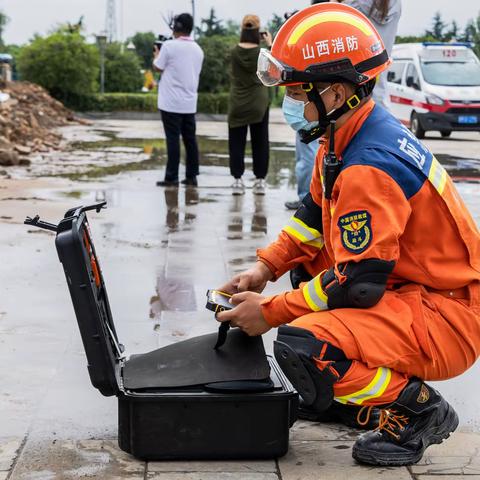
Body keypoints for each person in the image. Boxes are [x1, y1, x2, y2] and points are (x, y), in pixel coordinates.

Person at [216, 2, 480, 467]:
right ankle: (352, 395)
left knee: (303, 340)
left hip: (448, 316)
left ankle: (418, 411)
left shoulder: (366, 165)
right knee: (306, 277)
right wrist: (265, 268)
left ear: (336, 93)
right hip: (420, 294)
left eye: (297, 91)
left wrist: (271, 312)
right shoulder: (342, 137)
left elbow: (358, 282)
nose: (290, 103)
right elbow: (313, 217)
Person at [285, 0, 330, 211]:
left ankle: (308, 199)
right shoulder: (328, 36)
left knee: (307, 157)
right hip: (318, 107)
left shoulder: (307, 42)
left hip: (310, 108)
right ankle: (314, 197)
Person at [153, 13, 204, 187]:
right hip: (189, 104)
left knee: (173, 140)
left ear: (175, 27)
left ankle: (171, 177)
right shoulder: (198, 49)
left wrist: (156, 54)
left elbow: (158, 67)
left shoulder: (168, 46)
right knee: (190, 141)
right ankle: (192, 176)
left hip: (170, 103)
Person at [228, 15, 272, 196]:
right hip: (259, 102)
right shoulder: (262, 53)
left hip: (237, 101)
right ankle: (260, 181)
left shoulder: (233, 52)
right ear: (257, 31)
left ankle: (238, 181)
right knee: (260, 141)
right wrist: (269, 44)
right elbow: (276, 67)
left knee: (236, 141)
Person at [332, 0, 402, 110]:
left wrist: (333, 7)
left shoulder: (348, 7)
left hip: (352, 100)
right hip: (380, 97)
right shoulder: (395, 5)